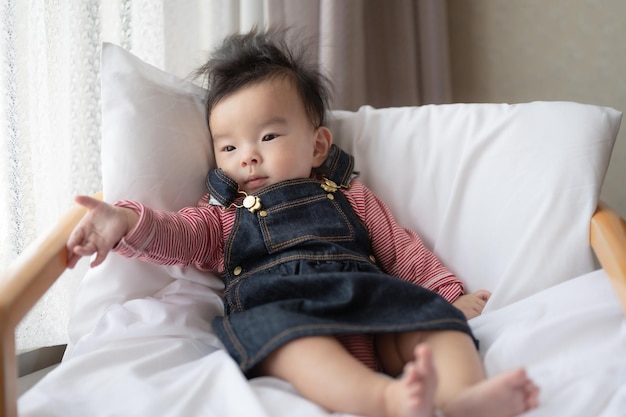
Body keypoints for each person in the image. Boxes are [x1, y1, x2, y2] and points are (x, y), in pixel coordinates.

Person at [67, 28, 539, 417]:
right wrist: (126, 220)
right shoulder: (223, 216)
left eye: (268, 135)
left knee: (434, 324)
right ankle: (387, 400)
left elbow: (400, 249)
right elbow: (179, 236)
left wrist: (450, 295)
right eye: (228, 147)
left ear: (317, 145)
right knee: (290, 349)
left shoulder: (349, 193)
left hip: (369, 302)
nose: (248, 155)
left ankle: (462, 397)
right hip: (284, 315)